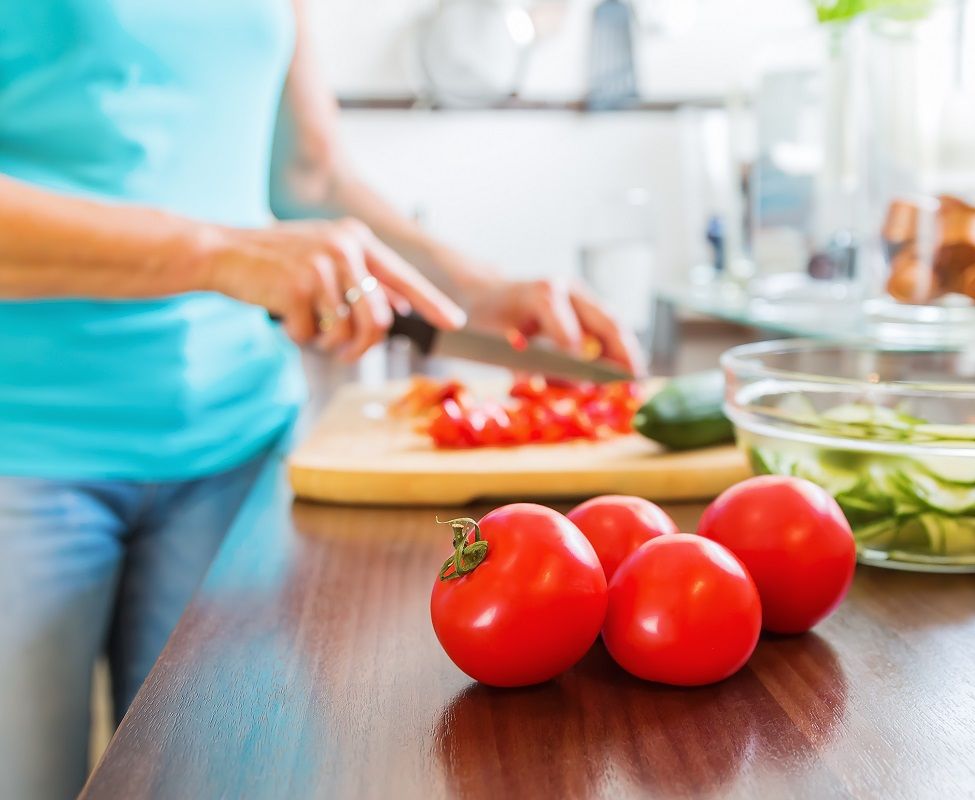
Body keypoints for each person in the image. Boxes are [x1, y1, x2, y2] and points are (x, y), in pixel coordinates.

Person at [0, 2, 643, 797]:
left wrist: (468, 288)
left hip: (238, 448)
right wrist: (226, 250)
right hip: (21, 448)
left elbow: (308, 176)